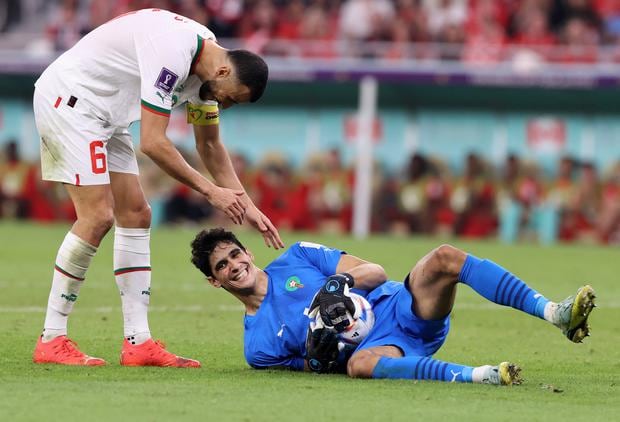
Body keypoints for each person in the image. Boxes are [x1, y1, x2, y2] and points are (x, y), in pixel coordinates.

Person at [32, 8, 284, 368]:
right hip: (72, 101)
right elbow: (152, 142)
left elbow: (210, 146)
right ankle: (51, 338)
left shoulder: (207, 74)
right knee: (97, 216)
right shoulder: (173, 53)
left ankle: (138, 343)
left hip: (108, 114)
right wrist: (211, 191)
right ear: (224, 72)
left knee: (136, 214)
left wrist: (249, 207)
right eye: (231, 98)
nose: (224, 105)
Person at [190, 227, 596, 384]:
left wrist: (339, 284)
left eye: (234, 255)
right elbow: (310, 367)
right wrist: (317, 359)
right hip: (380, 349)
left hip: (401, 308)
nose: (234, 267)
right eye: (221, 266)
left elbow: (375, 271)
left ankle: (555, 313)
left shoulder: (298, 256)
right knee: (358, 367)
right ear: (214, 281)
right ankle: (481, 376)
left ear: (248, 252)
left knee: (444, 257)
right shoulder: (256, 349)